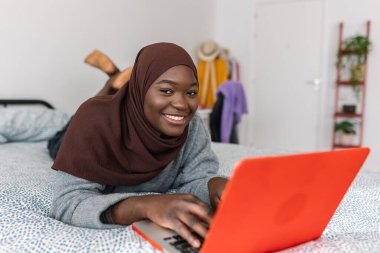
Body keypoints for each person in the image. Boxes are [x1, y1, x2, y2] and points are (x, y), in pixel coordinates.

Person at [48, 42, 228, 249]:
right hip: (79, 134)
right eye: (167, 91)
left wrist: (213, 185)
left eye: (191, 93)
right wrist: (143, 206)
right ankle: (112, 84)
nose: (182, 104)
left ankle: (115, 82)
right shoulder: (92, 121)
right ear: (140, 90)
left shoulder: (192, 124)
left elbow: (195, 178)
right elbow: (68, 204)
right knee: (59, 140)